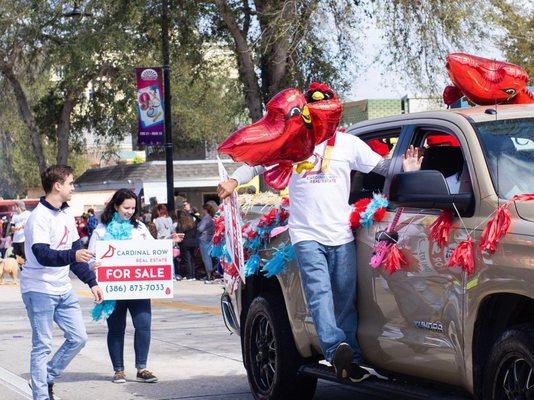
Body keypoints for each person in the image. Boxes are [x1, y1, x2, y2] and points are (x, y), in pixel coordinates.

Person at [218, 132, 422, 383]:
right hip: (305, 236)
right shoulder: (293, 142)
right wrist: (233, 181)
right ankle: (335, 348)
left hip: (341, 235)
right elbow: (260, 162)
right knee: (319, 294)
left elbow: (380, 166)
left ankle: (350, 362)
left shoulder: (348, 144)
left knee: (345, 299)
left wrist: (406, 168)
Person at [21, 165, 103, 400]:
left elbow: (76, 254)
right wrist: (73, 256)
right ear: (58, 185)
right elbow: (42, 254)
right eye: (70, 183)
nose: (73, 187)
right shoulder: (39, 217)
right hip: (39, 289)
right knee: (42, 345)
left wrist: (92, 282)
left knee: (78, 338)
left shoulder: (66, 214)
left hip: (63, 289)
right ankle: (40, 395)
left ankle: (44, 377)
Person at [88, 189, 182, 384]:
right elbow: (90, 257)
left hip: (138, 287)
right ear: (115, 206)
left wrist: (168, 242)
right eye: (126, 207)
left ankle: (142, 368)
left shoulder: (139, 228)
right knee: (116, 329)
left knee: (143, 326)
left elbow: (152, 249)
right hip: (113, 289)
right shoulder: (101, 230)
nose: (130, 211)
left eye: (133, 208)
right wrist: (93, 264)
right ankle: (118, 370)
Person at [175, 200, 199, 280]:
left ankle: (189, 276)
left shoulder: (181, 223)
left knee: (187, 259)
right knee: (192, 259)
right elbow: (198, 223)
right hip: (193, 242)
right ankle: (193, 275)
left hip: (185, 243)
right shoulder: (192, 222)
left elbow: (179, 233)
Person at [197, 203, 216, 280]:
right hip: (210, 239)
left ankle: (209, 275)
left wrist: (197, 227)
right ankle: (210, 274)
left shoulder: (205, 218)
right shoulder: (211, 217)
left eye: (202, 209)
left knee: (205, 258)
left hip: (203, 239)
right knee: (209, 257)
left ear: (205, 210)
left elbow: (200, 229)